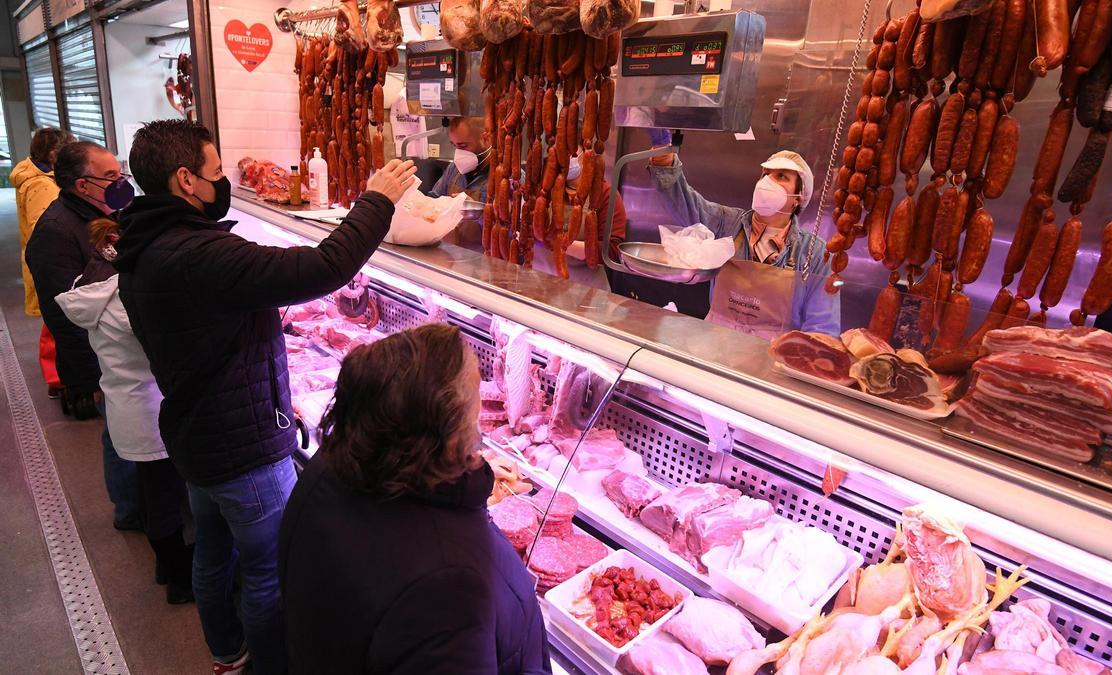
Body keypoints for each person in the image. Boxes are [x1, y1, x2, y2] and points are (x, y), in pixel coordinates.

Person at [113, 118, 416, 675]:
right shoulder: (196, 253)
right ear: (185, 180)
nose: (222, 181)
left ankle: (227, 655)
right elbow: (325, 267)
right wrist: (377, 200)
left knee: (212, 550)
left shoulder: (143, 241)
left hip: (195, 434)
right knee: (267, 569)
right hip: (244, 448)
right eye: (216, 172)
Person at [280, 324, 551, 674]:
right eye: (473, 401)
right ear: (447, 433)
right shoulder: (446, 587)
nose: (480, 415)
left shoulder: (329, 465)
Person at [55, 217, 193, 604]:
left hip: (126, 405)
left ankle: (168, 565)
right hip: (150, 411)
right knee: (163, 495)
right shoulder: (124, 299)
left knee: (154, 491)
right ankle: (178, 578)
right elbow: (169, 345)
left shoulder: (93, 286)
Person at [25, 140, 141, 529]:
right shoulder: (55, 232)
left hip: (120, 347)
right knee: (118, 436)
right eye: (110, 176)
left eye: (119, 172)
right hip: (100, 356)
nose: (120, 181)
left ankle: (141, 503)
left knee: (126, 430)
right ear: (81, 185)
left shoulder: (107, 210)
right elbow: (64, 314)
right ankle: (130, 512)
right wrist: (88, 379)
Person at [647, 135, 841, 336]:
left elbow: (822, 328)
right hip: (715, 345)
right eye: (766, 174)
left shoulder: (815, 253)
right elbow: (685, 203)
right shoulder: (727, 224)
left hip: (772, 358)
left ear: (798, 198)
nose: (768, 181)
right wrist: (663, 157)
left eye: (781, 176)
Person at [12, 127, 75, 397]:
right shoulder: (41, 186)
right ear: (53, 154)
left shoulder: (45, 179)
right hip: (50, 265)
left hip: (47, 263)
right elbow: (47, 231)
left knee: (57, 319)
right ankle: (57, 379)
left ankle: (60, 375)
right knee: (56, 321)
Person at [531, 146, 628, 291]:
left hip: (584, 293)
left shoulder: (606, 194)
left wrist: (557, 243)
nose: (565, 158)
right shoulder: (544, 187)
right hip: (538, 287)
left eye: (571, 152)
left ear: (587, 155)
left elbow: (612, 251)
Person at [429, 116, 493, 202]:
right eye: (454, 145)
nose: (458, 153)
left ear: (486, 139)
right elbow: (434, 198)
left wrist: (476, 210)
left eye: (463, 146)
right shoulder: (453, 168)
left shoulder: (502, 177)